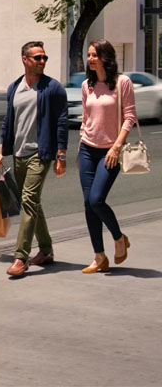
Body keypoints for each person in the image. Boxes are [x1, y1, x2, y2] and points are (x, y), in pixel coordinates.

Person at [0, 41, 68, 277]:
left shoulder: (53, 88)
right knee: (32, 203)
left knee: (28, 200)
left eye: (44, 58)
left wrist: (61, 155)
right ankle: (46, 251)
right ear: (25, 59)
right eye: (38, 58)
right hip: (18, 154)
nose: (42, 62)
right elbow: (9, 122)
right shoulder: (14, 88)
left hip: (40, 153)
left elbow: (62, 122)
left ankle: (20, 258)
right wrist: (0, 150)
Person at [77, 39, 135, 273]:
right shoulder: (86, 85)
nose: (90, 59)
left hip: (110, 152)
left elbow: (129, 117)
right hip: (87, 150)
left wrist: (116, 147)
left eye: (94, 55)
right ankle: (99, 257)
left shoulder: (122, 82)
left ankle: (119, 237)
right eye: (88, 55)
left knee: (96, 199)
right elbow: (85, 118)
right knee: (88, 204)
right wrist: (82, 140)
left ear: (105, 57)